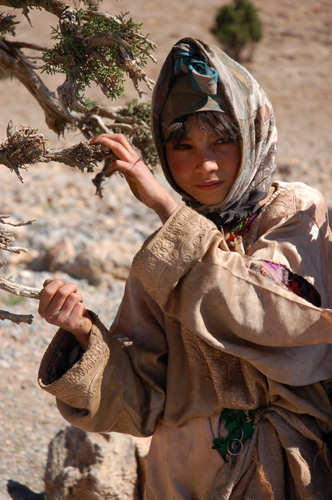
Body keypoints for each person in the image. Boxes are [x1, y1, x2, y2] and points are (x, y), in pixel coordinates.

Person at [38, 37, 332, 499]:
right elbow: (141, 399)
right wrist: (80, 333)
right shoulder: (164, 251)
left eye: (223, 140)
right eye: (184, 146)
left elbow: (274, 315)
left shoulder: (294, 212)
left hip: (276, 469)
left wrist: (162, 205)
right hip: (179, 475)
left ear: (253, 133)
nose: (205, 164)